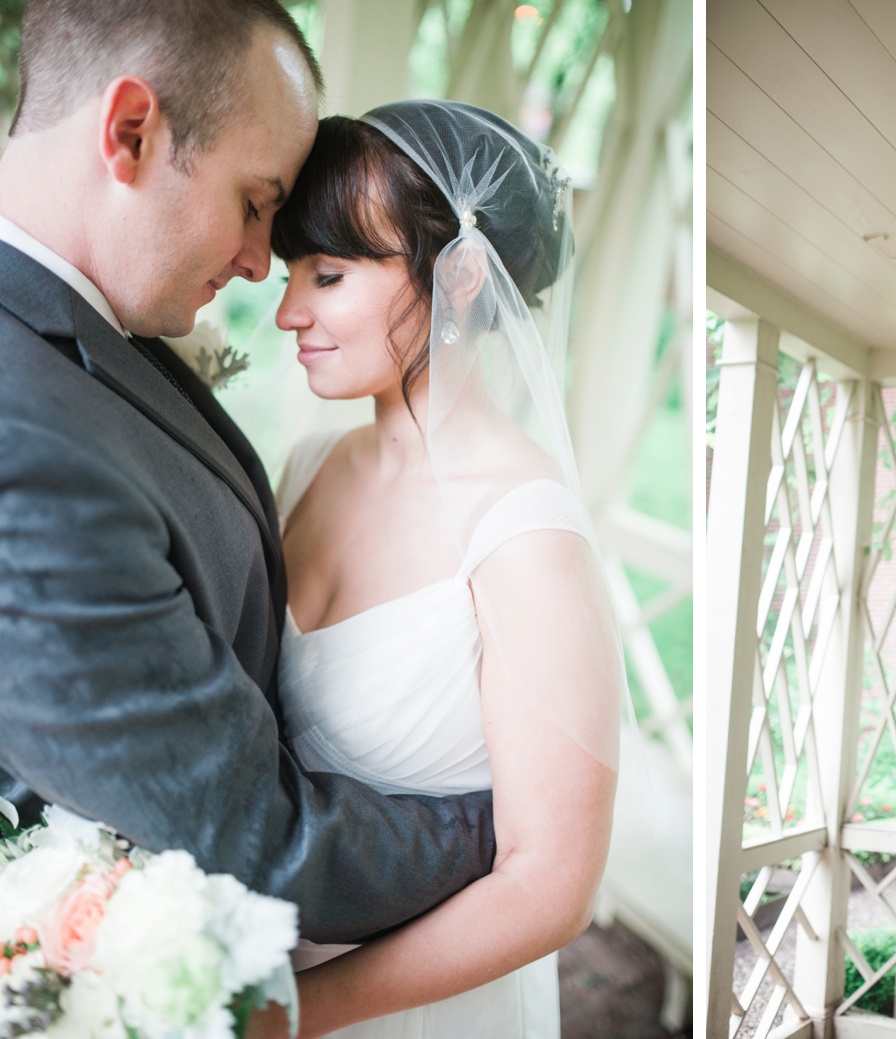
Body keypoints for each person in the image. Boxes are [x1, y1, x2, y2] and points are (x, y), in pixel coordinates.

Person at [0, 0, 497, 947]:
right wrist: (513, 826)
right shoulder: (22, 441)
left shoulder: (89, 316)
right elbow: (250, 836)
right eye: (256, 201)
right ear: (131, 132)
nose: (261, 261)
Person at [251, 99, 621, 1038]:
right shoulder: (307, 468)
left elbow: (550, 885)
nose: (290, 309)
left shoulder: (523, 534)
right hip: (259, 950)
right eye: (294, 270)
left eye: (328, 273)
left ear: (457, 274)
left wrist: (299, 1012)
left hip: (413, 1010)